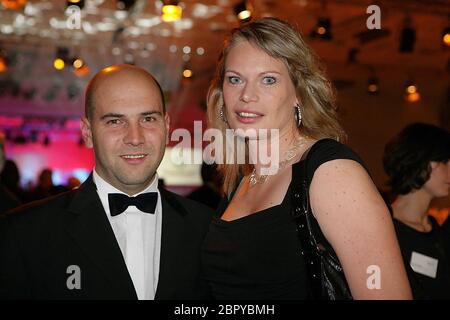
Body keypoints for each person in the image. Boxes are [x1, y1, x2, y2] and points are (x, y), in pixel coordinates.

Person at [201, 18, 412, 300]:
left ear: (298, 94)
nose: (247, 95)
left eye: (268, 79)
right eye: (235, 79)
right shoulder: (241, 181)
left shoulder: (331, 173)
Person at [0, 65, 213, 300]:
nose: (135, 137)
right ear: (88, 132)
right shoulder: (24, 235)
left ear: (166, 125)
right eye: (115, 121)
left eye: (148, 118)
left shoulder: (209, 228)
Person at [383, 122, 450, 299]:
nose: (449, 169)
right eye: (443, 161)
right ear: (417, 159)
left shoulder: (437, 231)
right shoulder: (384, 229)